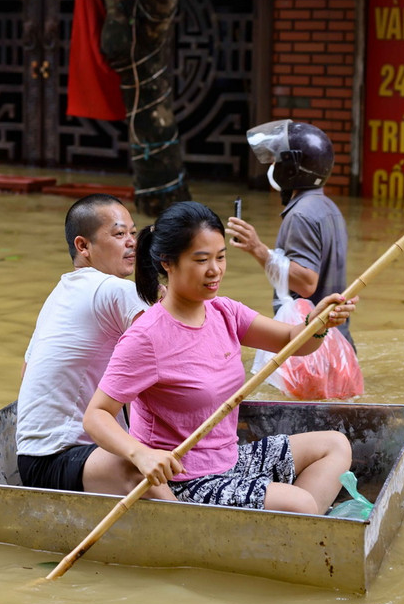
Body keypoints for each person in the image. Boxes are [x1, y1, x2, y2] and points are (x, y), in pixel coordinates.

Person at [84, 201, 356, 514]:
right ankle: (298, 519)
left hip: (231, 459)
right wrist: (140, 454)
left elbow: (293, 341)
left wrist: (318, 324)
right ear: (167, 263)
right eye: (202, 260)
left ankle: (296, 526)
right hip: (185, 479)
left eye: (221, 257)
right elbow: (97, 415)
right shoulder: (146, 336)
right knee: (301, 504)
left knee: (335, 445)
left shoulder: (224, 311)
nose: (215, 270)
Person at [16, 193, 175, 500]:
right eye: (118, 234)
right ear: (83, 246)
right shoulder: (116, 289)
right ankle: (193, 530)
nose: (131, 242)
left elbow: (26, 372)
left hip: (31, 460)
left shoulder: (58, 294)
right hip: (61, 456)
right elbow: (170, 358)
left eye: (132, 233)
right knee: (140, 470)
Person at [227, 119, 354, 349]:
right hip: (338, 344)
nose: (273, 165)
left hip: (313, 348)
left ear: (292, 167)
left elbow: (306, 284)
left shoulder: (301, 214)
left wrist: (257, 249)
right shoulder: (329, 208)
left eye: (277, 160)